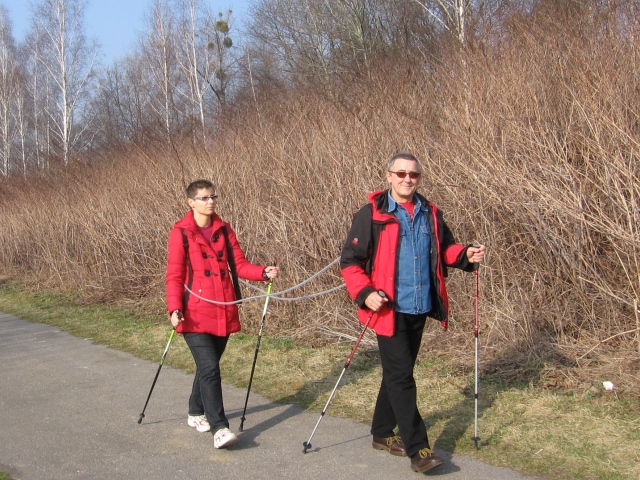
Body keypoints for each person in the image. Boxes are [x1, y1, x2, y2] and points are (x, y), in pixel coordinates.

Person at [340, 153, 486, 473]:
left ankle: (381, 433)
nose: (408, 179)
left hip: (419, 306)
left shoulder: (430, 212)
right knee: (402, 376)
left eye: (414, 175)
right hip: (387, 310)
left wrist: (465, 255)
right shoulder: (371, 215)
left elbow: (444, 248)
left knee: (397, 373)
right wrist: (365, 294)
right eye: (401, 173)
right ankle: (419, 449)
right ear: (388, 176)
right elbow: (350, 261)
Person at [166, 179, 279, 449]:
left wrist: (263, 272)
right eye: (204, 198)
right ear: (190, 202)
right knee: (210, 368)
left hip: (224, 309)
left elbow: (239, 265)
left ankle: (195, 412)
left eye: (212, 196)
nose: (210, 201)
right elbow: (174, 275)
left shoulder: (224, 230)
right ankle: (220, 428)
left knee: (208, 366)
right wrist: (174, 308)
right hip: (193, 313)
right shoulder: (181, 233)